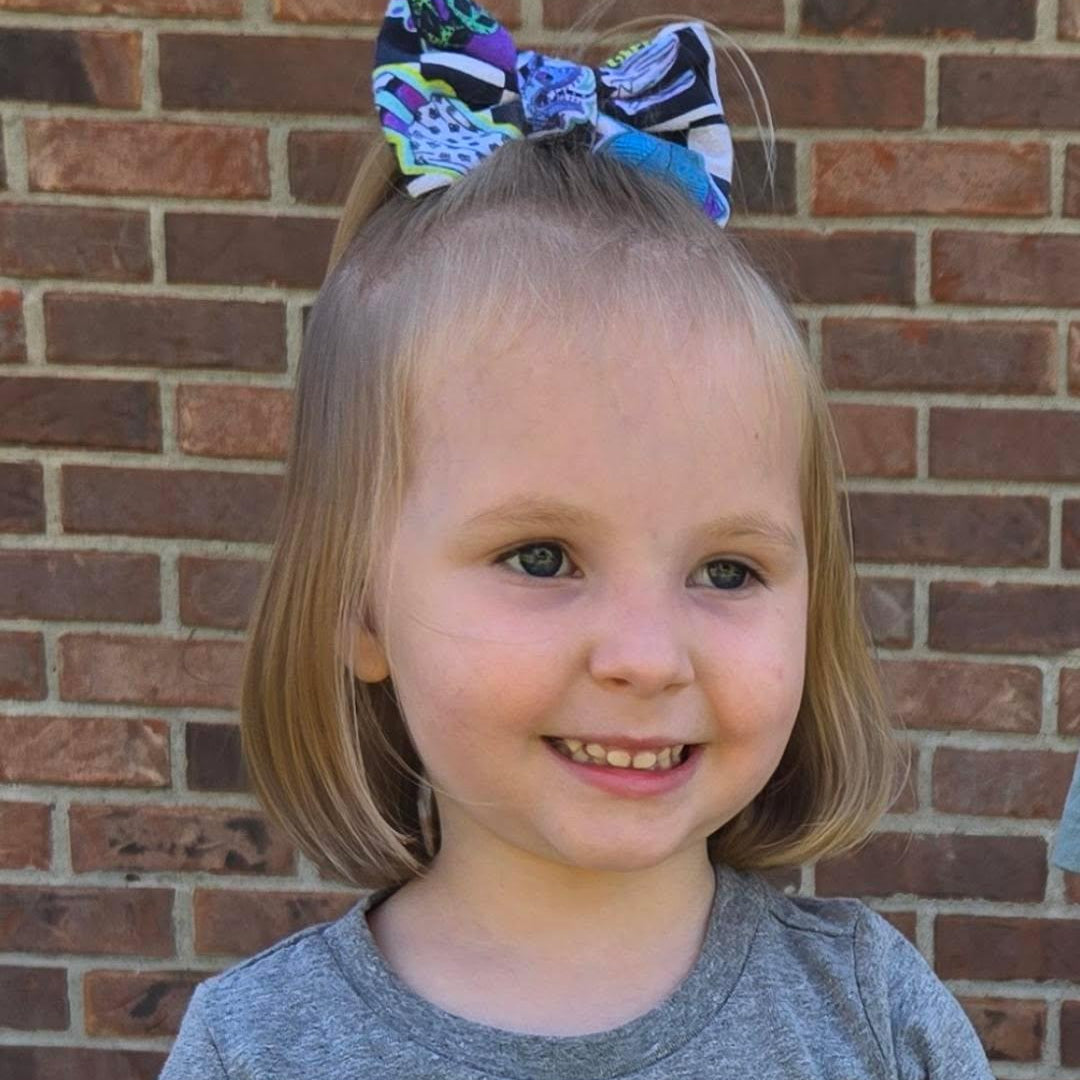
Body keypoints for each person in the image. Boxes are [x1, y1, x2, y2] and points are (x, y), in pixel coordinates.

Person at [159, 0, 995, 1075]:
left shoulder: (873, 1016)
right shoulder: (260, 1048)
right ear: (357, 604)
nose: (647, 658)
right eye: (542, 557)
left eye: (727, 570)